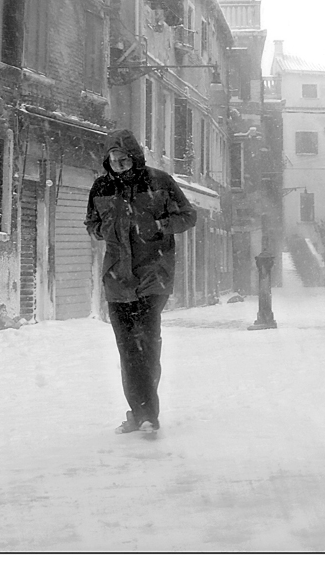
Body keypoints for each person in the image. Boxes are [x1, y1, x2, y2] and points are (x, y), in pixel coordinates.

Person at [85, 129, 197, 434]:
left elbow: (188, 216)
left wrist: (161, 224)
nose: (119, 165)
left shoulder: (159, 182)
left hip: (152, 276)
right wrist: (99, 230)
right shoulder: (100, 187)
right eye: (113, 160)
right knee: (128, 351)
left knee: (147, 346)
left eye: (124, 160)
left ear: (134, 158)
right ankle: (139, 413)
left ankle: (148, 414)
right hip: (117, 281)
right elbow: (91, 222)